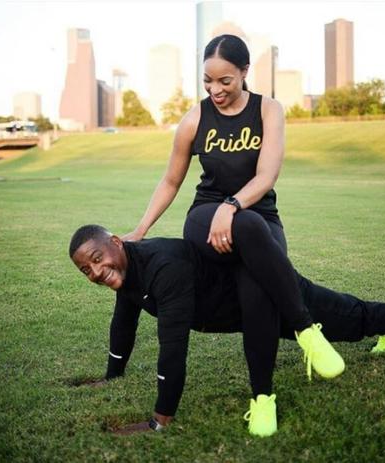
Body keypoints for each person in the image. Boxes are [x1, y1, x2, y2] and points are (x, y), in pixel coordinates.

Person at [121, 34, 345, 411]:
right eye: (207, 80)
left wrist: (234, 204)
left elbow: (267, 175)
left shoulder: (268, 110)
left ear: (244, 72)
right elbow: (172, 180)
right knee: (249, 225)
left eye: (225, 81)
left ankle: (262, 400)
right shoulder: (195, 119)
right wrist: (141, 229)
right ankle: (305, 327)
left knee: (256, 282)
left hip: (257, 217)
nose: (215, 89)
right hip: (205, 220)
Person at [69, 225, 385, 437]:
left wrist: (159, 421)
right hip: (248, 313)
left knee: (357, 317)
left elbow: (172, 348)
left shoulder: (162, 268)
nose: (97, 272)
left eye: (98, 259)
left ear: (116, 242)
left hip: (271, 294)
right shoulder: (129, 273)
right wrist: (111, 376)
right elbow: (123, 323)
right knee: (350, 324)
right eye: (87, 270)